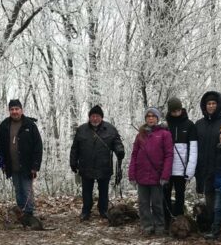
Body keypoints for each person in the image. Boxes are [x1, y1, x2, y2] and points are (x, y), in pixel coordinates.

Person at [70, 105, 125, 221]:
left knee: (103, 191)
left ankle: (103, 210)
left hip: (104, 165)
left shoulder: (110, 129)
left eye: (97, 116)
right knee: (86, 191)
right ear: (89, 117)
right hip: (86, 166)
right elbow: (75, 148)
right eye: (93, 116)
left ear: (101, 117)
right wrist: (73, 162)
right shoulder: (81, 129)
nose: (95, 119)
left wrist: (119, 151)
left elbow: (117, 142)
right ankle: (86, 211)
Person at [128, 107, 173, 236]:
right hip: (141, 175)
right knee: (143, 204)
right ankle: (147, 226)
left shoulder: (165, 134)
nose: (151, 118)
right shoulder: (140, 135)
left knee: (157, 203)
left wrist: (165, 175)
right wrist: (132, 175)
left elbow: (169, 155)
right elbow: (134, 155)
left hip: (157, 176)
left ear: (158, 118)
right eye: (148, 116)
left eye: (153, 116)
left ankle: (159, 226)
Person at [195, 91, 221, 226]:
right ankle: (213, 225)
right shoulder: (199, 124)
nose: (211, 106)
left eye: (214, 103)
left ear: (219, 105)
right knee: (209, 197)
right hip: (205, 168)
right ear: (204, 106)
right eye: (208, 103)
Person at [0, 99, 43, 216]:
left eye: (17, 109)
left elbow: (38, 146)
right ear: (9, 111)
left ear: (21, 110)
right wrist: (2, 163)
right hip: (12, 165)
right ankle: (21, 213)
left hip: (27, 165)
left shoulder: (30, 125)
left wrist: (35, 166)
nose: (14, 111)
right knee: (18, 190)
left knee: (27, 189)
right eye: (12, 109)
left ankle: (29, 213)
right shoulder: (4, 125)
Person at [164, 97, 198, 229]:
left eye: (178, 110)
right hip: (166, 169)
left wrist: (190, 170)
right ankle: (166, 222)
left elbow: (193, 149)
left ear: (181, 109)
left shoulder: (189, 125)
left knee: (180, 197)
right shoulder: (165, 125)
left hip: (181, 169)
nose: (176, 113)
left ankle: (179, 223)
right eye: (173, 111)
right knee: (165, 196)